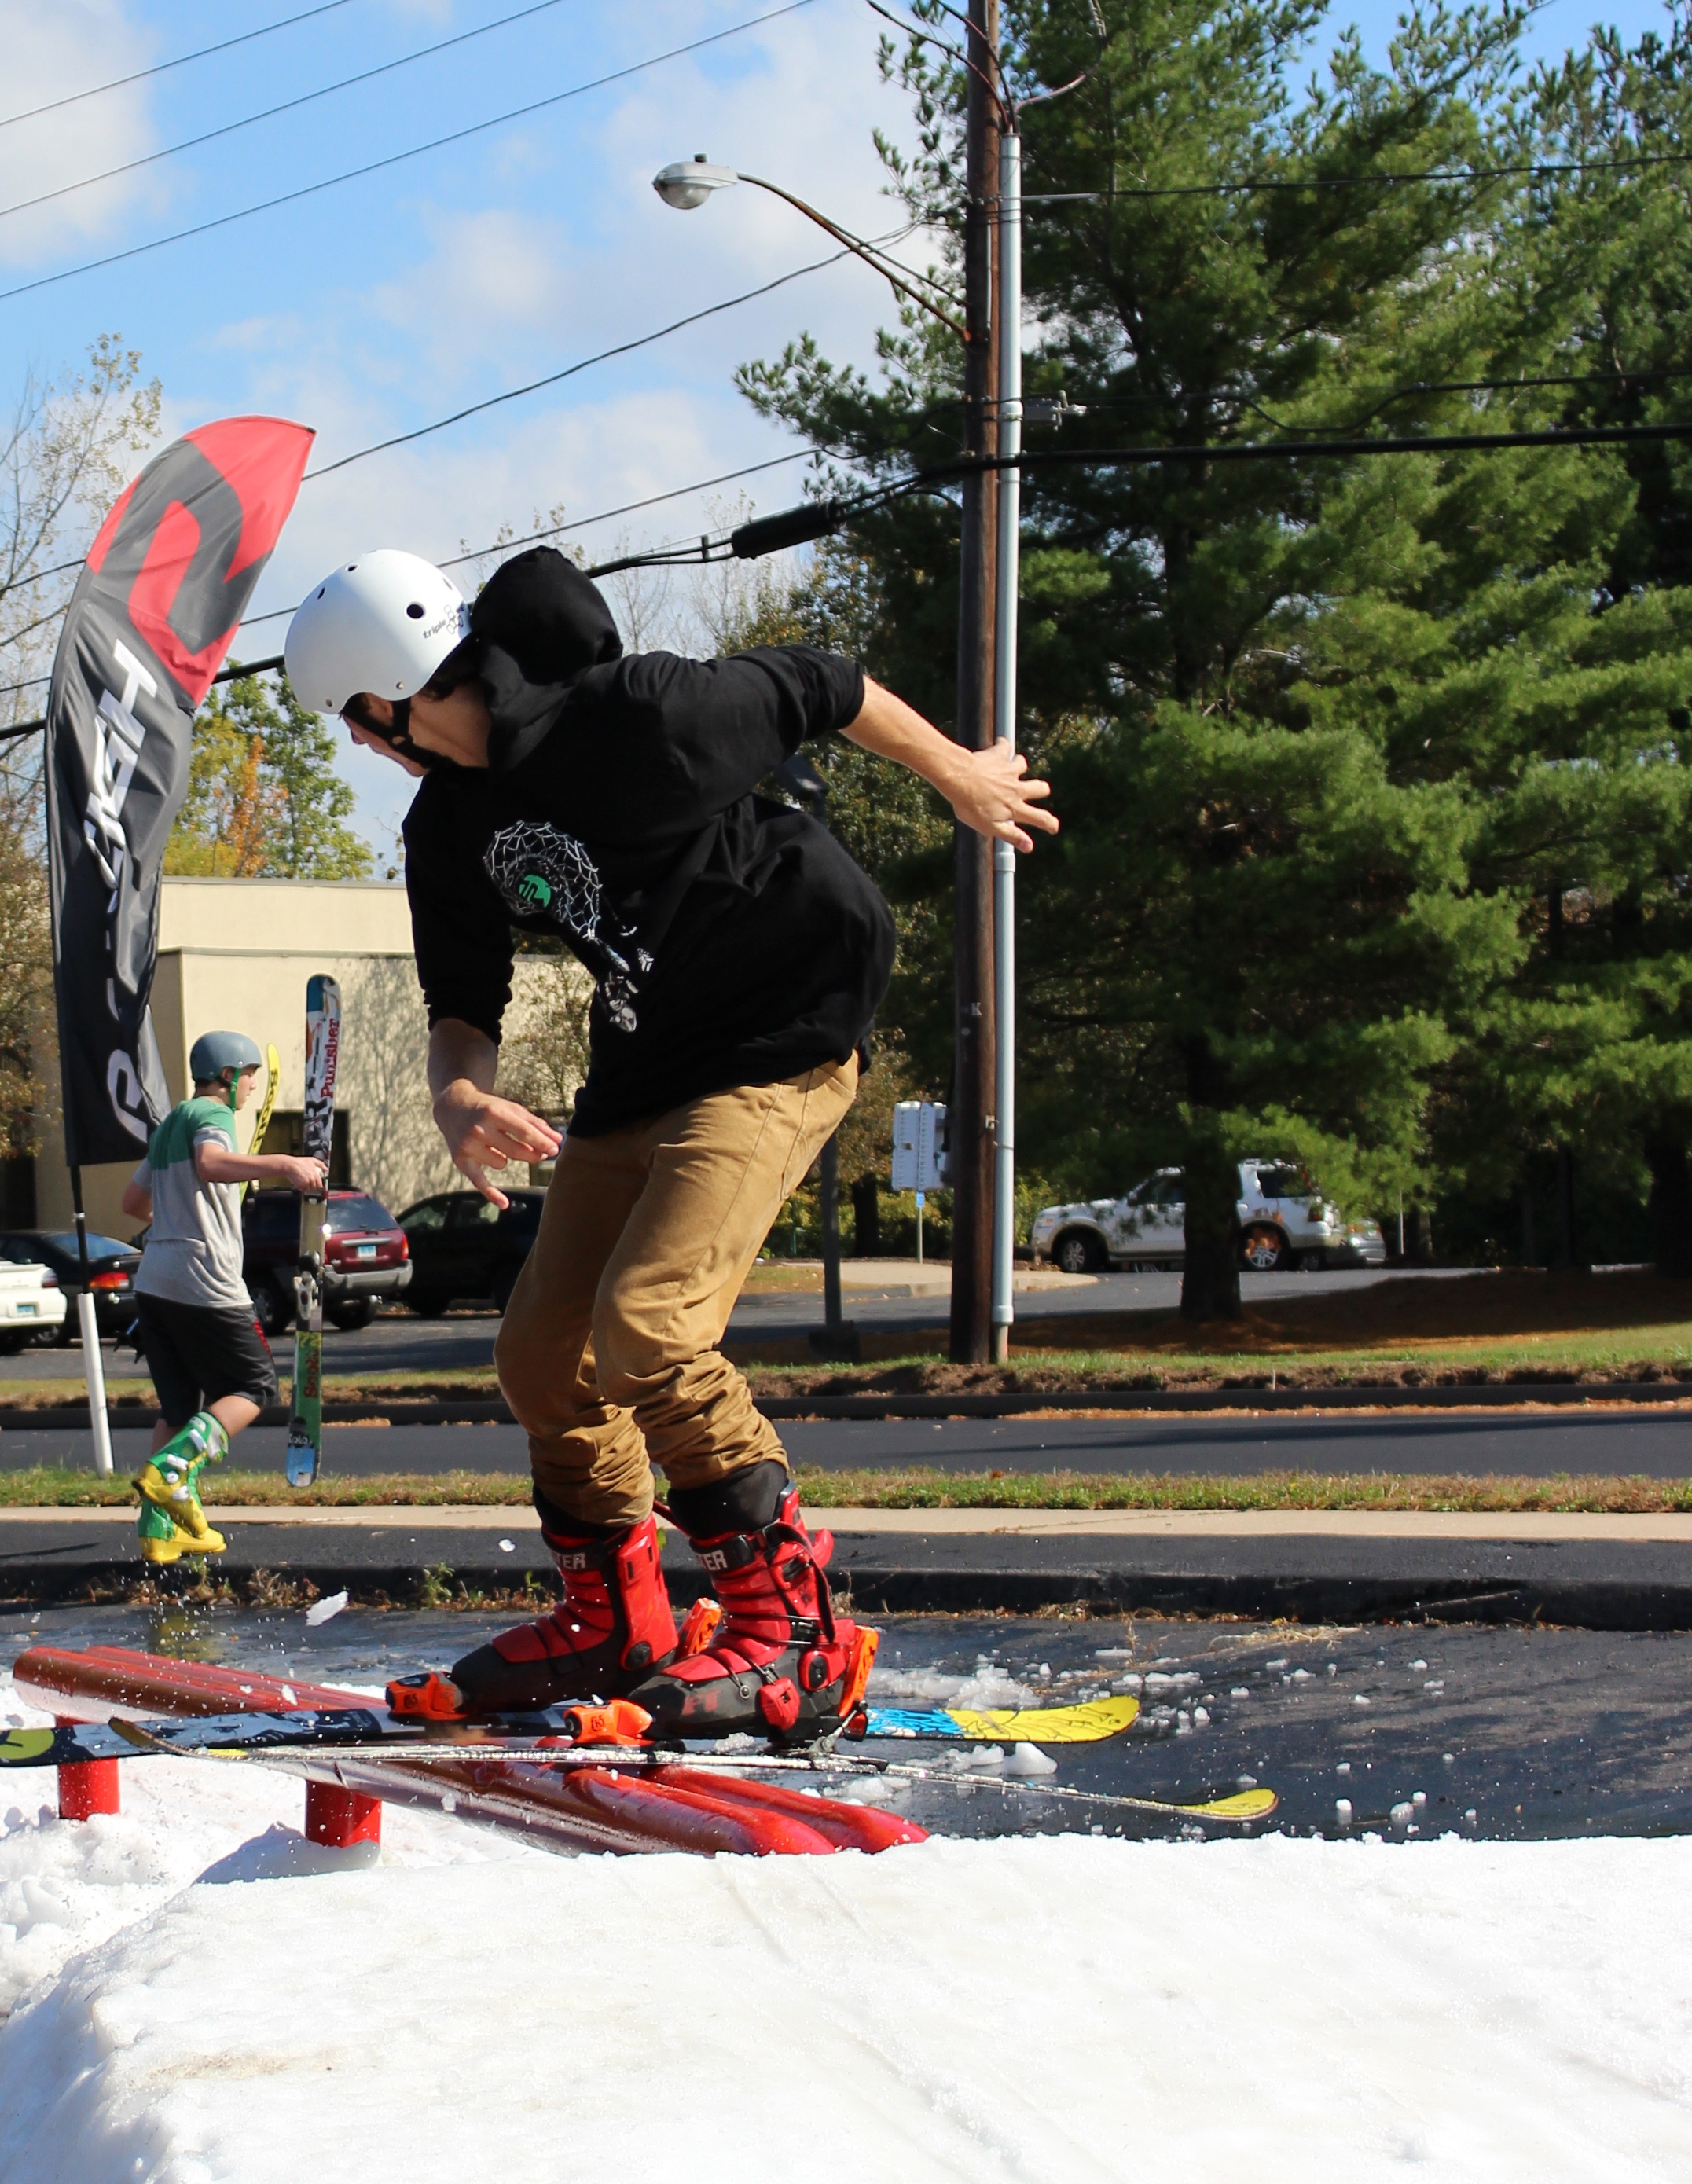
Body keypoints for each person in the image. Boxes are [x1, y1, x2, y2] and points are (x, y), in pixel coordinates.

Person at [281, 543, 1058, 1737]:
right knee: (542, 1351)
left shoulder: (641, 718)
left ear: (401, 692)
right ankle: (617, 1623)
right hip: (648, 1054)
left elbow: (828, 682)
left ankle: (798, 1636)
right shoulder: (445, 827)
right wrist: (456, 1096)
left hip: (785, 1023)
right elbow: (463, 1001)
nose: (357, 744)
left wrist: (961, 778)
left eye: (356, 718)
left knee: (648, 1330)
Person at [117, 1028, 329, 1568]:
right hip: (202, 1277)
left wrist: (176, 1221)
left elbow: (131, 1201)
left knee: (178, 1405)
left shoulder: (170, 1123)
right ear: (230, 1076)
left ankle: (159, 1532)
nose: (256, 1087)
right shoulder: (213, 1115)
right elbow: (212, 1163)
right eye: (252, 1075)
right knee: (254, 1387)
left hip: (155, 1279)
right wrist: (284, 1164)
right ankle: (170, 1473)